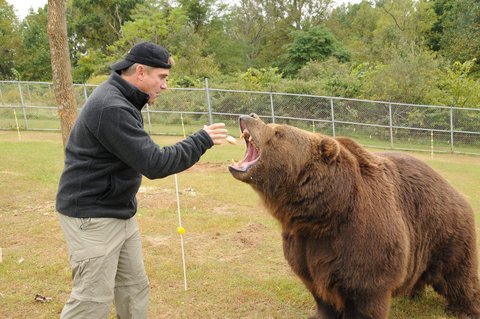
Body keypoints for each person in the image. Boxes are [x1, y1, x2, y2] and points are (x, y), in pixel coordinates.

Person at [55, 41, 228, 318]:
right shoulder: (111, 106)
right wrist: (201, 139)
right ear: (139, 72)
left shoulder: (123, 100)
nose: (165, 85)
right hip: (92, 217)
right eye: (162, 77)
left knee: (134, 289)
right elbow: (155, 163)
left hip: (119, 212)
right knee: (91, 301)